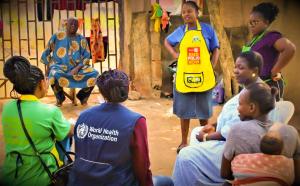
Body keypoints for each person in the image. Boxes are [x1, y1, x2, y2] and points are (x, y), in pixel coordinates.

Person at [172, 51, 264, 186]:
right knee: (196, 131)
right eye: (235, 67)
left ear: (254, 71)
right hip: (227, 138)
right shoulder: (248, 90)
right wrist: (213, 126)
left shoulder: (257, 95)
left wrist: (206, 137)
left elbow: (234, 131)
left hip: (235, 149)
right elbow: (232, 119)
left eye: (241, 68)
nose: (236, 71)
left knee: (185, 156)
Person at [68, 69, 173, 186]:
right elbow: (142, 165)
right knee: (167, 182)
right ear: (127, 89)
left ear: (102, 92)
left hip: (80, 181)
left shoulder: (84, 116)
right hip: (117, 181)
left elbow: (80, 154)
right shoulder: (135, 121)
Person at [1, 56, 74, 185]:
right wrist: (72, 124)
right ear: (41, 83)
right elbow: (68, 131)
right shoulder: (50, 111)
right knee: (64, 134)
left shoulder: (7, 108)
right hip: (39, 178)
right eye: (46, 80)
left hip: (9, 175)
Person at [164, 1, 219, 153]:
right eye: (183, 12)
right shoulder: (181, 30)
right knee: (184, 111)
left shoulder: (208, 30)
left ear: (197, 13)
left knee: (203, 110)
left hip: (203, 75)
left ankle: (203, 139)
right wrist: (175, 54)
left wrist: (211, 66)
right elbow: (167, 41)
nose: (186, 14)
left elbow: (215, 49)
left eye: (189, 11)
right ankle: (183, 142)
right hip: (184, 75)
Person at [220, 83, 281, 184]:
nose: (237, 108)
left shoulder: (236, 130)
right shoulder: (280, 131)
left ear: (252, 107)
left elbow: (225, 173)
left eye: (239, 104)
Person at [243, 2, 296, 100]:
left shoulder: (270, 37)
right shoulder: (255, 40)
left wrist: (275, 70)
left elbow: (290, 48)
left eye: (255, 22)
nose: (251, 25)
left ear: (266, 22)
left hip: (268, 84)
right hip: (255, 84)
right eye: (250, 22)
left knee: (269, 114)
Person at [41, 17, 99, 107]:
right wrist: (51, 64)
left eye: (75, 25)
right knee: (54, 74)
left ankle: (82, 96)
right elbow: (46, 52)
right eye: (71, 24)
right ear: (66, 24)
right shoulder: (57, 36)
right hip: (60, 67)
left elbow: (86, 56)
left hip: (78, 67)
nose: (73, 26)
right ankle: (60, 98)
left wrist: (77, 68)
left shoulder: (81, 38)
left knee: (94, 74)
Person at [230, 130, 294, 185]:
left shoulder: (241, 158)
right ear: (280, 150)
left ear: (260, 146)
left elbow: (234, 170)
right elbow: (290, 181)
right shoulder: (287, 163)